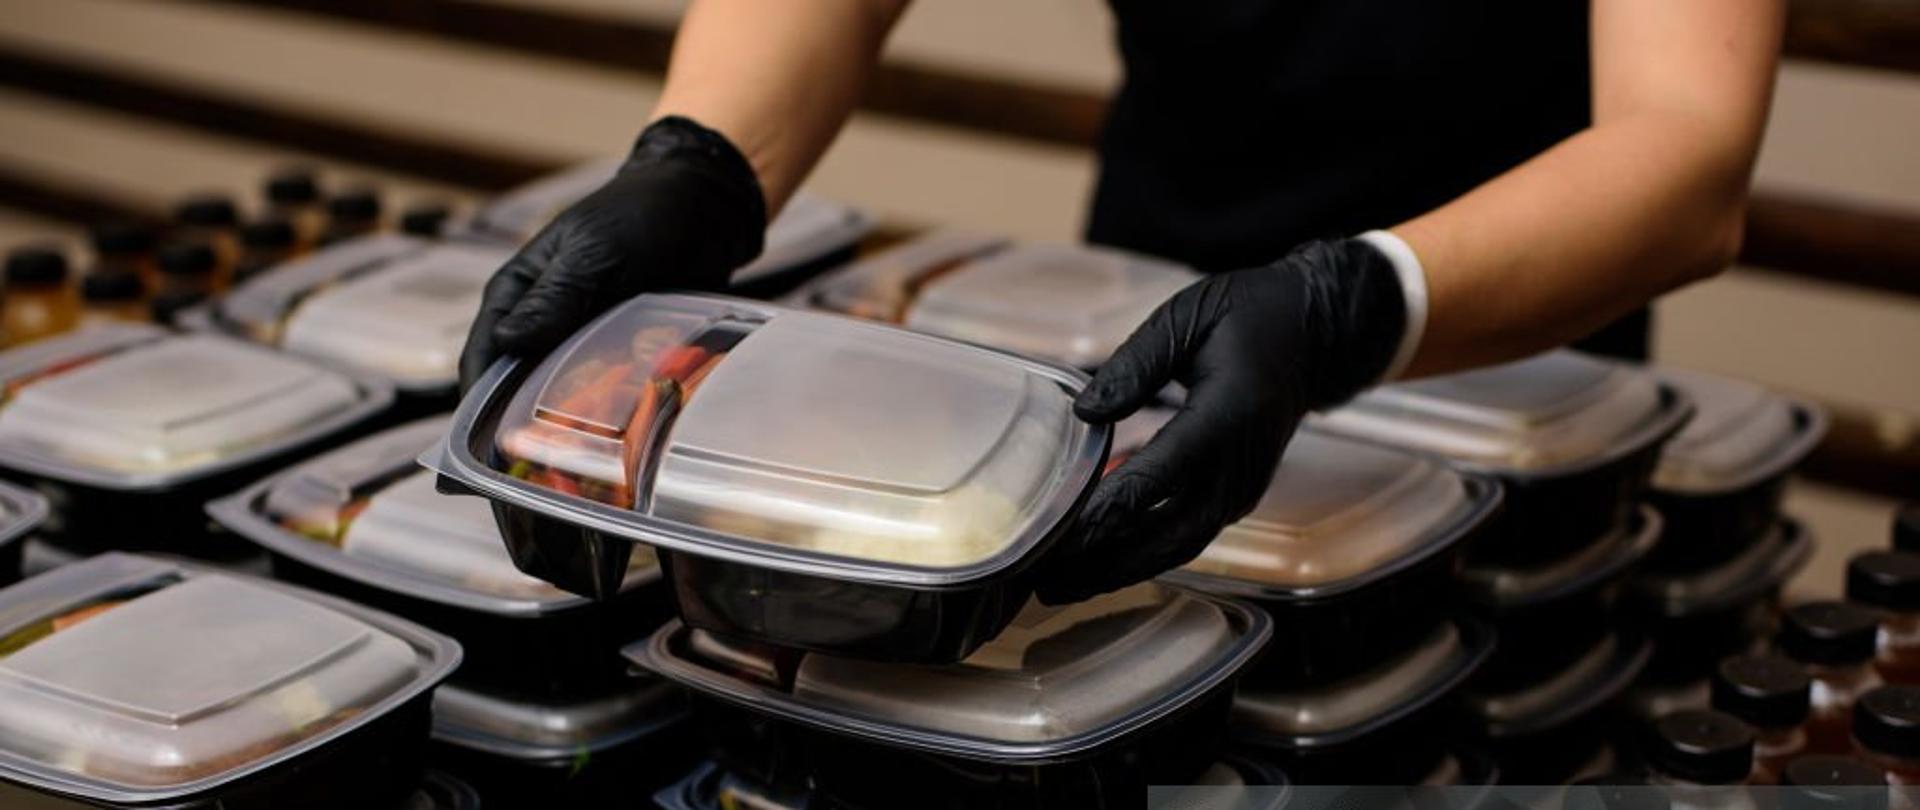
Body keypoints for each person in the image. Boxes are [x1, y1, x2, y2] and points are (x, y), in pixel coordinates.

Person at [459, 0, 1784, 604]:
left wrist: (1351, 304)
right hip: (1136, 356)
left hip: (1498, 374)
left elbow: (1687, 149)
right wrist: (701, 164)